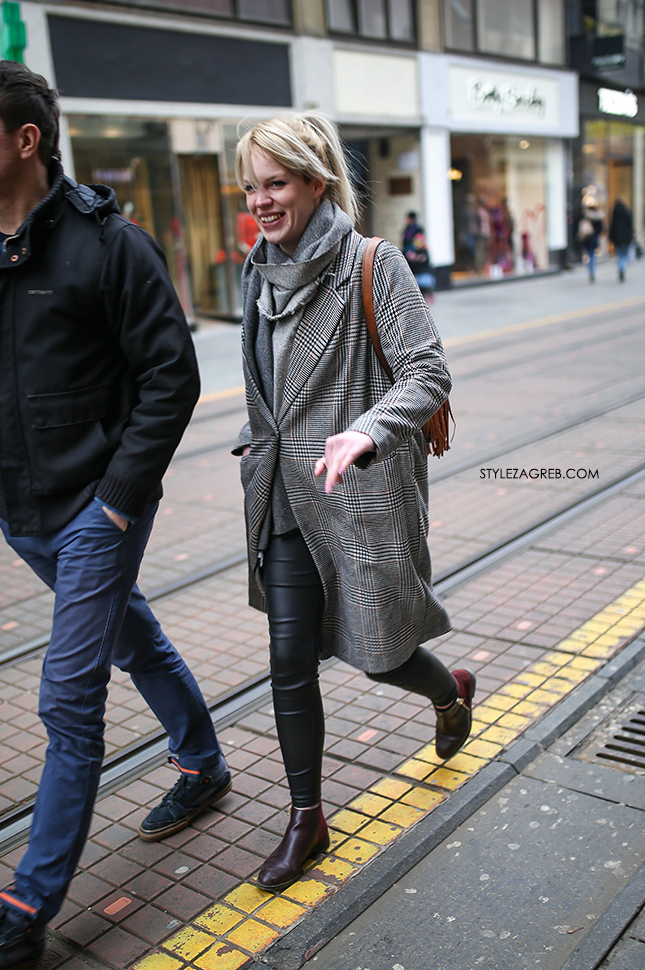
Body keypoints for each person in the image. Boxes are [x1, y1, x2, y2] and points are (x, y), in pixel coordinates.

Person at [0, 61, 231, 969]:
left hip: (94, 511)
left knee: (68, 699)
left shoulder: (112, 246)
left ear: (26, 140)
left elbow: (170, 379)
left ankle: (26, 912)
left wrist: (115, 503)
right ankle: (204, 762)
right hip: (23, 510)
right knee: (130, 637)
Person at [232, 110, 475, 894]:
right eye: (250, 187)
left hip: (354, 493)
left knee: (381, 656)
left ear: (315, 180)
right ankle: (308, 817)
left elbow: (426, 374)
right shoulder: (255, 270)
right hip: (282, 500)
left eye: (275, 183)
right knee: (287, 661)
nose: (262, 202)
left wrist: (366, 432)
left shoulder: (373, 263)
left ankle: (448, 691)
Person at [405, 226, 436, 302]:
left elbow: (426, 261)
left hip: (424, 274)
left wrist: (417, 258)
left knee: (426, 281)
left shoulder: (424, 251)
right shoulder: (412, 251)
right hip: (416, 275)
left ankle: (428, 294)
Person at [579, 196, 604, 283]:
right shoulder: (598, 216)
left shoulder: (585, 216)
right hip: (594, 238)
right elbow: (601, 229)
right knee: (592, 255)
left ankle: (590, 271)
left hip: (586, 238)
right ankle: (592, 271)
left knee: (588, 255)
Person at [609, 198, 633, 282]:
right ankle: (622, 268)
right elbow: (630, 226)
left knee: (619, 255)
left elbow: (612, 227)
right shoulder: (627, 212)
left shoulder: (615, 213)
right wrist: (631, 236)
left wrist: (611, 237)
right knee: (624, 255)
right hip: (626, 238)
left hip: (617, 238)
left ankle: (620, 267)